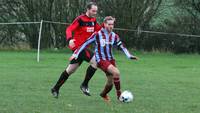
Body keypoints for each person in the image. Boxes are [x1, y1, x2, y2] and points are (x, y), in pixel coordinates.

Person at [70, 16, 138, 101]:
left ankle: (103, 94)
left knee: (111, 82)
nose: (111, 26)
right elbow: (85, 43)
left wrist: (129, 55)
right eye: (109, 24)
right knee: (116, 72)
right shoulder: (97, 34)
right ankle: (119, 96)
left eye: (112, 24)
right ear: (104, 24)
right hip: (101, 59)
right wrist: (76, 53)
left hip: (110, 59)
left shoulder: (114, 36)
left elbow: (122, 46)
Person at [51, 2, 101, 98]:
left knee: (70, 70)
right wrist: (69, 39)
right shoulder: (80, 19)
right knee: (95, 62)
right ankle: (84, 84)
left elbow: (98, 29)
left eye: (96, 11)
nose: (95, 13)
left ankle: (55, 88)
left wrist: (106, 25)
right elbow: (69, 29)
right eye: (93, 11)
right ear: (88, 9)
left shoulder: (93, 20)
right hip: (78, 47)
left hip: (84, 48)